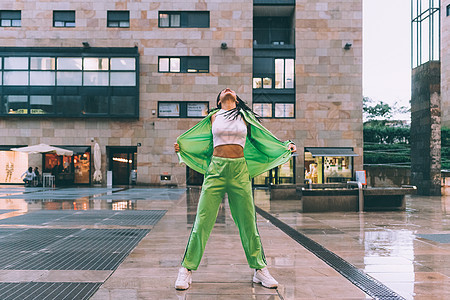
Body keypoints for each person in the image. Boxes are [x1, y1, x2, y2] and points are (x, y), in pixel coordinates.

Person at [174, 88, 296, 290]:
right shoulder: (213, 117)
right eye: (223, 91)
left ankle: (260, 269)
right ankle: (186, 270)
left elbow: (263, 138)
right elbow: (199, 141)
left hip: (240, 170)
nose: (228, 90)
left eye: (231, 91)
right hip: (216, 169)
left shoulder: (245, 116)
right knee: (202, 220)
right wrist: (183, 147)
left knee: (248, 221)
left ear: (236, 99)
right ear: (219, 100)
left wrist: (285, 146)